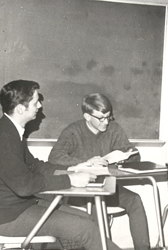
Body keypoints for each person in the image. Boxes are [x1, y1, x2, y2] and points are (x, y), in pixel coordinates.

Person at [0, 80, 123, 250]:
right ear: (21, 109)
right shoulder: (5, 137)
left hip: (20, 207)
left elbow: (35, 166)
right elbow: (24, 185)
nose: (40, 105)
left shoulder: (12, 131)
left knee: (86, 218)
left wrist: (73, 168)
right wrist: (69, 180)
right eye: (36, 102)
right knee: (85, 229)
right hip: (9, 217)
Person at [48, 93, 150, 250]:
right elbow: (54, 157)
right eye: (101, 118)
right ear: (87, 117)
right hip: (78, 190)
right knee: (97, 205)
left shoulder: (113, 128)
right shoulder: (73, 131)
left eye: (108, 117)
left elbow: (133, 155)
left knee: (134, 200)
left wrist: (121, 158)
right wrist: (84, 163)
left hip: (105, 186)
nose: (106, 122)